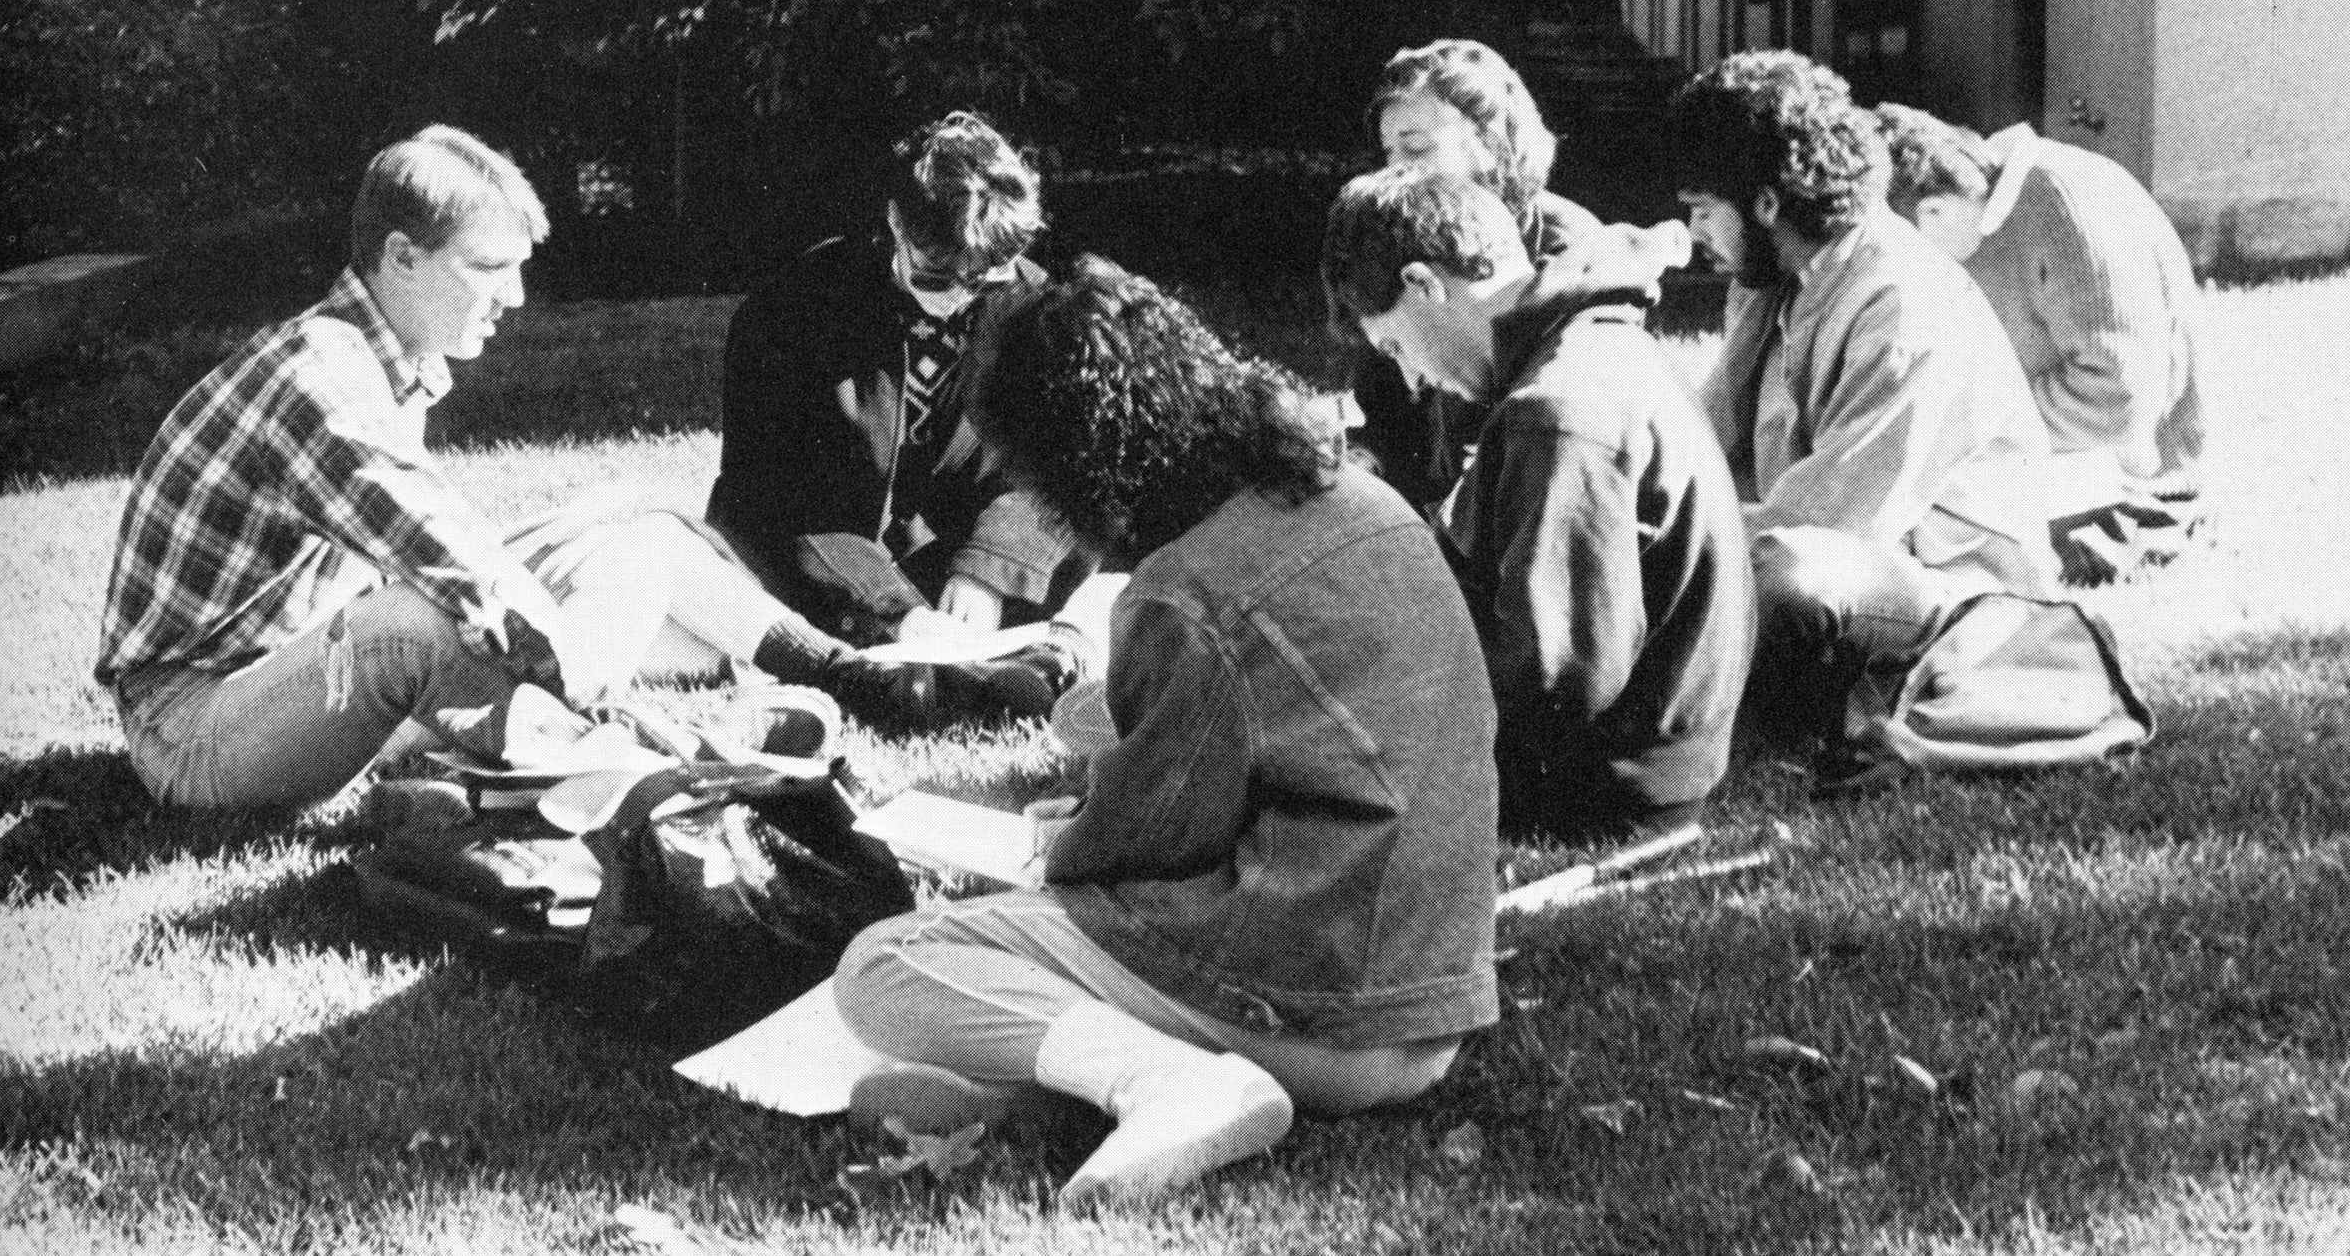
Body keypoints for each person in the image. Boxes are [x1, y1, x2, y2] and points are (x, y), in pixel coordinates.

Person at [832, 259, 1500, 1207]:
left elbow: (1139, 849)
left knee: (886, 965)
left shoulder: (1183, 589)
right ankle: (1058, 1090)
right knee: (1041, 960)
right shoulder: (1363, 501)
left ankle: (1167, 1081)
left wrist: (1058, 841)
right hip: (1429, 1001)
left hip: (1321, 1013)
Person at [90, 125, 828, 824]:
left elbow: (453, 549)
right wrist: (564, 658)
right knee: (423, 621)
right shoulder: (323, 375)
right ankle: (619, 755)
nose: (515, 298)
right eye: (488, 269)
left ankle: (839, 666)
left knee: (633, 535)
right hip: (194, 725)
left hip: (311, 670)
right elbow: (447, 558)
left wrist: (605, 558)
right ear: (402, 256)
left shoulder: (383, 361)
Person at [1320, 168, 1754, 846]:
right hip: (1632, 758)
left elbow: (1554, 676)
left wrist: (1384, 713)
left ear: (1423, 285)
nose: (1411, 377)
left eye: (1397, 346)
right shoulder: (1592, 343)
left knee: (1294, 757)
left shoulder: (1557, 406)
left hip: (1603, 788)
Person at [1668, 52, 2055, 748]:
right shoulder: (1768, 280)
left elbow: (1837, 521)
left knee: (1787, 574)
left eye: (1702, 210)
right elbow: (1702, 442)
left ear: (1766, 203)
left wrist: (1669, 535)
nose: (1693, 235)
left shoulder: (1902, 300)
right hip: (1835, 549)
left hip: (1955, 593)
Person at [697, 111, 1096, 729]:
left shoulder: (1038, 310)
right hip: (826, 556)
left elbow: (1053, 466)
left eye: (984, 284)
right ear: (894, 221)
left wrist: (989, 571)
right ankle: (929, 671)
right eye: (935, 275)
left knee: (1103, 539)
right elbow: (768, 495)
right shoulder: (789, 312)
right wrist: (897, 613)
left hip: (973, 560)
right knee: (750, 566)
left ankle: (1023, 662)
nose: (956, 300)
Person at [1875, 102, 2208, 584]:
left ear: (1934, 211)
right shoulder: (1987, 209)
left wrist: (1965, 439)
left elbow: (2119, 400)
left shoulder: (2063, 204)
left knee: (1902, 530)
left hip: (2137, 495)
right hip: (2058, 473)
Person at [1354, 40, 1605, 510]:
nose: (1397, 174)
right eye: (1390, 155)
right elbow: (1385, 416)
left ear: (1491, 146)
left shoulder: (1567, 254)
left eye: (1416, 149)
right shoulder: (1405, 250)